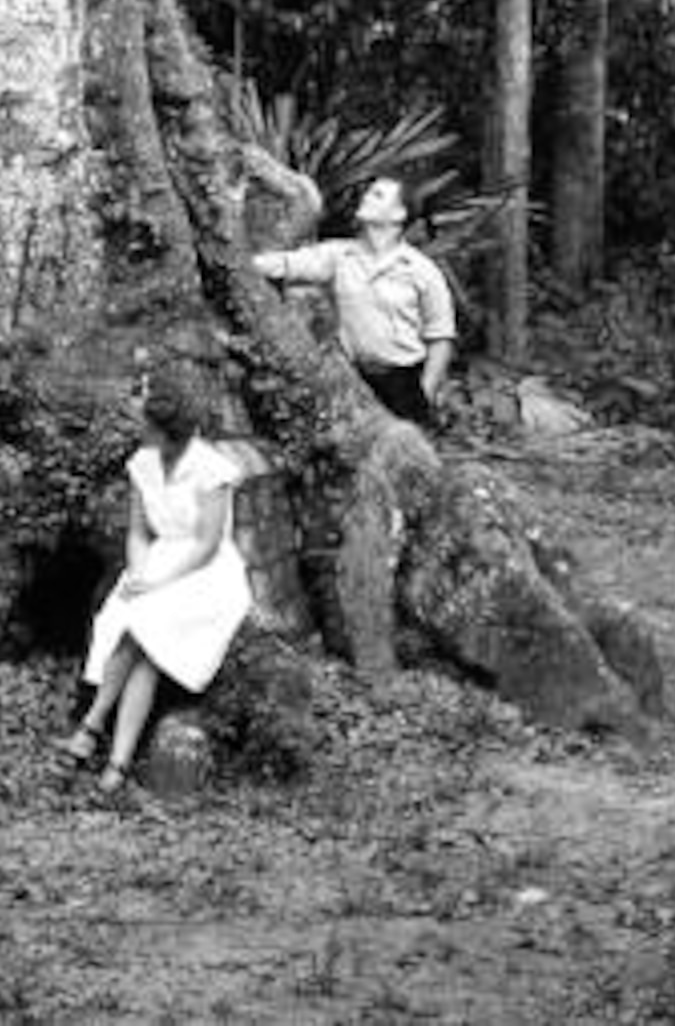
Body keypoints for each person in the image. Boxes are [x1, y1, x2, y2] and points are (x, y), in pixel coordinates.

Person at [58, 367, 253, 794]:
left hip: (206, 574)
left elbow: (206, 545)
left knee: (147, 625)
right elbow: (138, 532)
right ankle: (119, 762)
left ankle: (92, 726)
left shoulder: (211, 469)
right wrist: (141, 573)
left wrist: (160, 583)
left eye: (145, 424)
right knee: (136, 630)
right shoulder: (142, 463)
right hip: (156, 560)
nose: (138, 428)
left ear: (168, 431)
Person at [253, 173, 457, 427]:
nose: (366, 197)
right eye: (370, 192)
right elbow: (287, 264)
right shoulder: (339, 255)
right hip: (354, 379)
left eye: (378, 195)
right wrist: (238, 259)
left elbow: (441, 336)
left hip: (403, 384)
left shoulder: (422, 270)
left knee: (401, 459)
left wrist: (425, 393)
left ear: (398, 215)